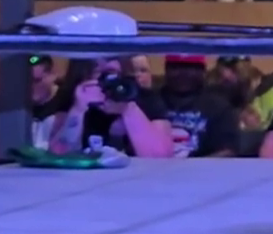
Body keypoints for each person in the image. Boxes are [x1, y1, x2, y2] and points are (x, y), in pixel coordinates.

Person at [45, 56, 175, 158]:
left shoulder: (145, 97)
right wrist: (78, 109)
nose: (107, 81)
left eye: (111, 73)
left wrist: (128, 109)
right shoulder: (73, 97)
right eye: (99, 73)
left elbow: (161, 156)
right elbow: (58, 153)